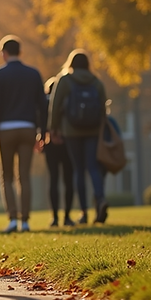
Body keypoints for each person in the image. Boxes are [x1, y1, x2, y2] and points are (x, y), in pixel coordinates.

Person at [0, 35, 47, 234]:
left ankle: (12, 219)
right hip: (28, 127)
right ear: (20, 52)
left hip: (6, 128)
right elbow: (42, 104)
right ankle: (26, 221)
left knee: (7, 175)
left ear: (3, 53)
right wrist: (43, 131)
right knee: (25, 175)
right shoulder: (33, 74)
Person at [48, 49, 108, 224]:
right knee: (93, 167)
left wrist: (53, 129)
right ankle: (100, 199)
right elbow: (103, 108)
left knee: (78, 170)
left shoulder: (65, 80)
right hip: (93, 130)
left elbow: (55, 104)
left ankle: (83, 212)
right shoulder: (96, 81)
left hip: (71, 131)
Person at [43, 77, 75, 227]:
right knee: (68, 179)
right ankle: (67, 216)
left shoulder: (45, 102)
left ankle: (55, 217)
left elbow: (41, 121)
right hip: (67, 141)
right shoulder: (68, 100)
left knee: (53, 179)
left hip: (50, 143)